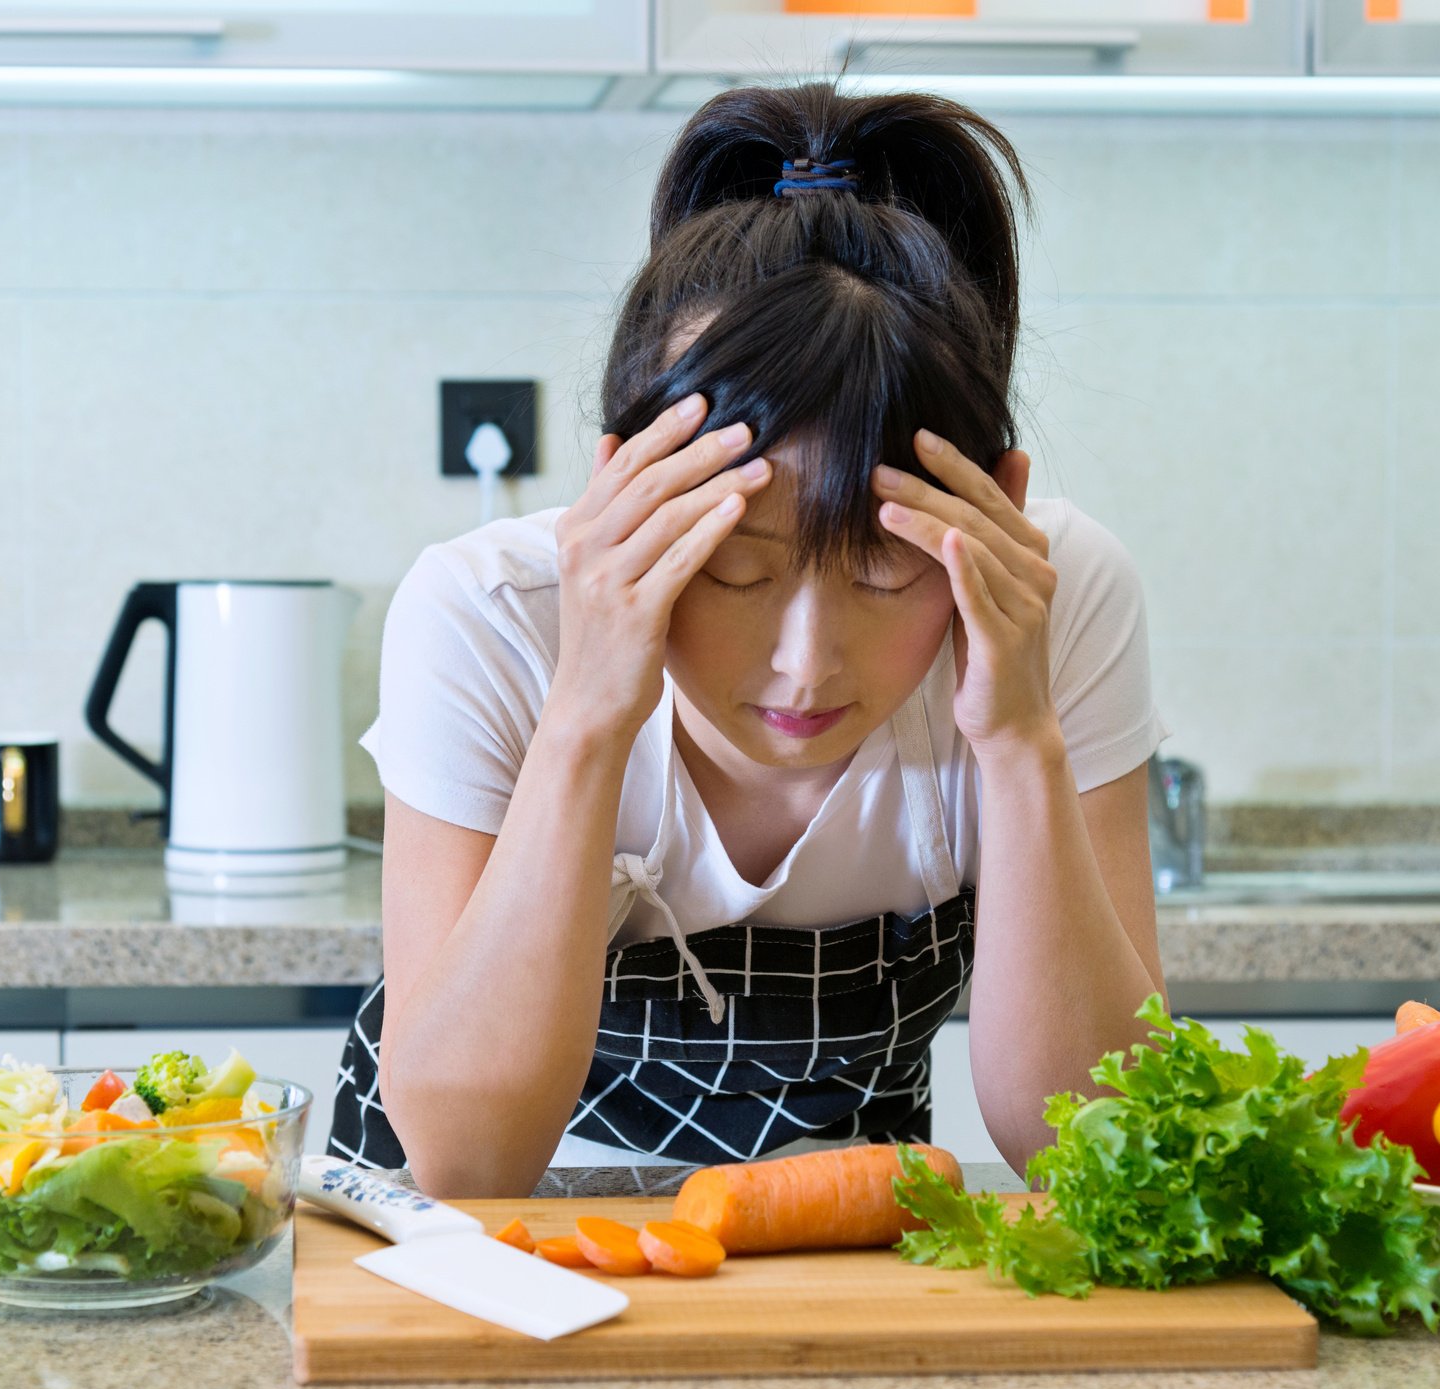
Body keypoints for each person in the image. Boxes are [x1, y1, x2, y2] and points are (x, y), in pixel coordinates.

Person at [330, 82, 1169, 1198]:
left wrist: (1019, 740)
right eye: (736, 570)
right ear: (621, 490)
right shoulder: (489, 612)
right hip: (476, 1247)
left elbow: (1091, 1145)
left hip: (831, 1242)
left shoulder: (1051, 599)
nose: (805, 662)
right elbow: (469, 1161)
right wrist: (585, 716)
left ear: (1000, 509)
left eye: (884, 572)